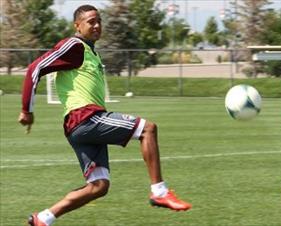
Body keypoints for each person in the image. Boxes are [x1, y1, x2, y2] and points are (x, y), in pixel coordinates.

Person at [18, 5, 191, 226]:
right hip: (85, 118)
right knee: (147, 128)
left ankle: (43, 218)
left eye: (99, 21)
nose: (97, 25)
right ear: (77, 25)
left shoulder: (92, 53)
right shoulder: (74, 45)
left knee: (99, 186)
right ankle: (159, 191)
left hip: (82, 128)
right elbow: (35, 67)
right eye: (91, 21)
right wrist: (27, 109)